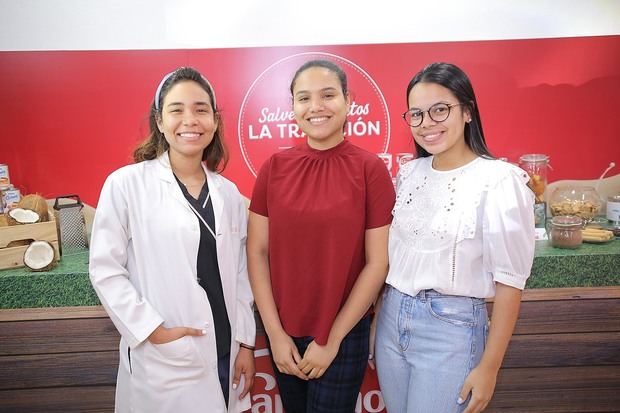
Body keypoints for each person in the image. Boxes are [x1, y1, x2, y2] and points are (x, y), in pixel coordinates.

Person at [89, 67, 256, 413]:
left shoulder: (228, 193)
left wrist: (246, 344)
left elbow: (241, 272)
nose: (189, 120)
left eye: (200, 109)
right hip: (166, 352)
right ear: (160, 122)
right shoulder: (126, 185)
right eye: (176, 110)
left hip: (225, 348)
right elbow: (105, 269)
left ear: (213, 121)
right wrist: (152, 330)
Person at [375, 62, 535, 413]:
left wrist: (489, 368)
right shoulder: (409, 174)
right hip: (391, 320)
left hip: (451, 330)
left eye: (440, 110)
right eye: (416, 114)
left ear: (466, 112)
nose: (427, 123)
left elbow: (510, 283)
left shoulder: (499, 180)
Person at [247, 59, 395, 413]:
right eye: (304, 98)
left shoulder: (370, 169)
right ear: (293, 107)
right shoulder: (274, 168)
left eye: (328, 95)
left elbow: (377, 263)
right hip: (283, 331)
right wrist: (276, 335)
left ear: (348, 100)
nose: (316, 107)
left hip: (344, 331)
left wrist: (331, 340)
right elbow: (257, 253)